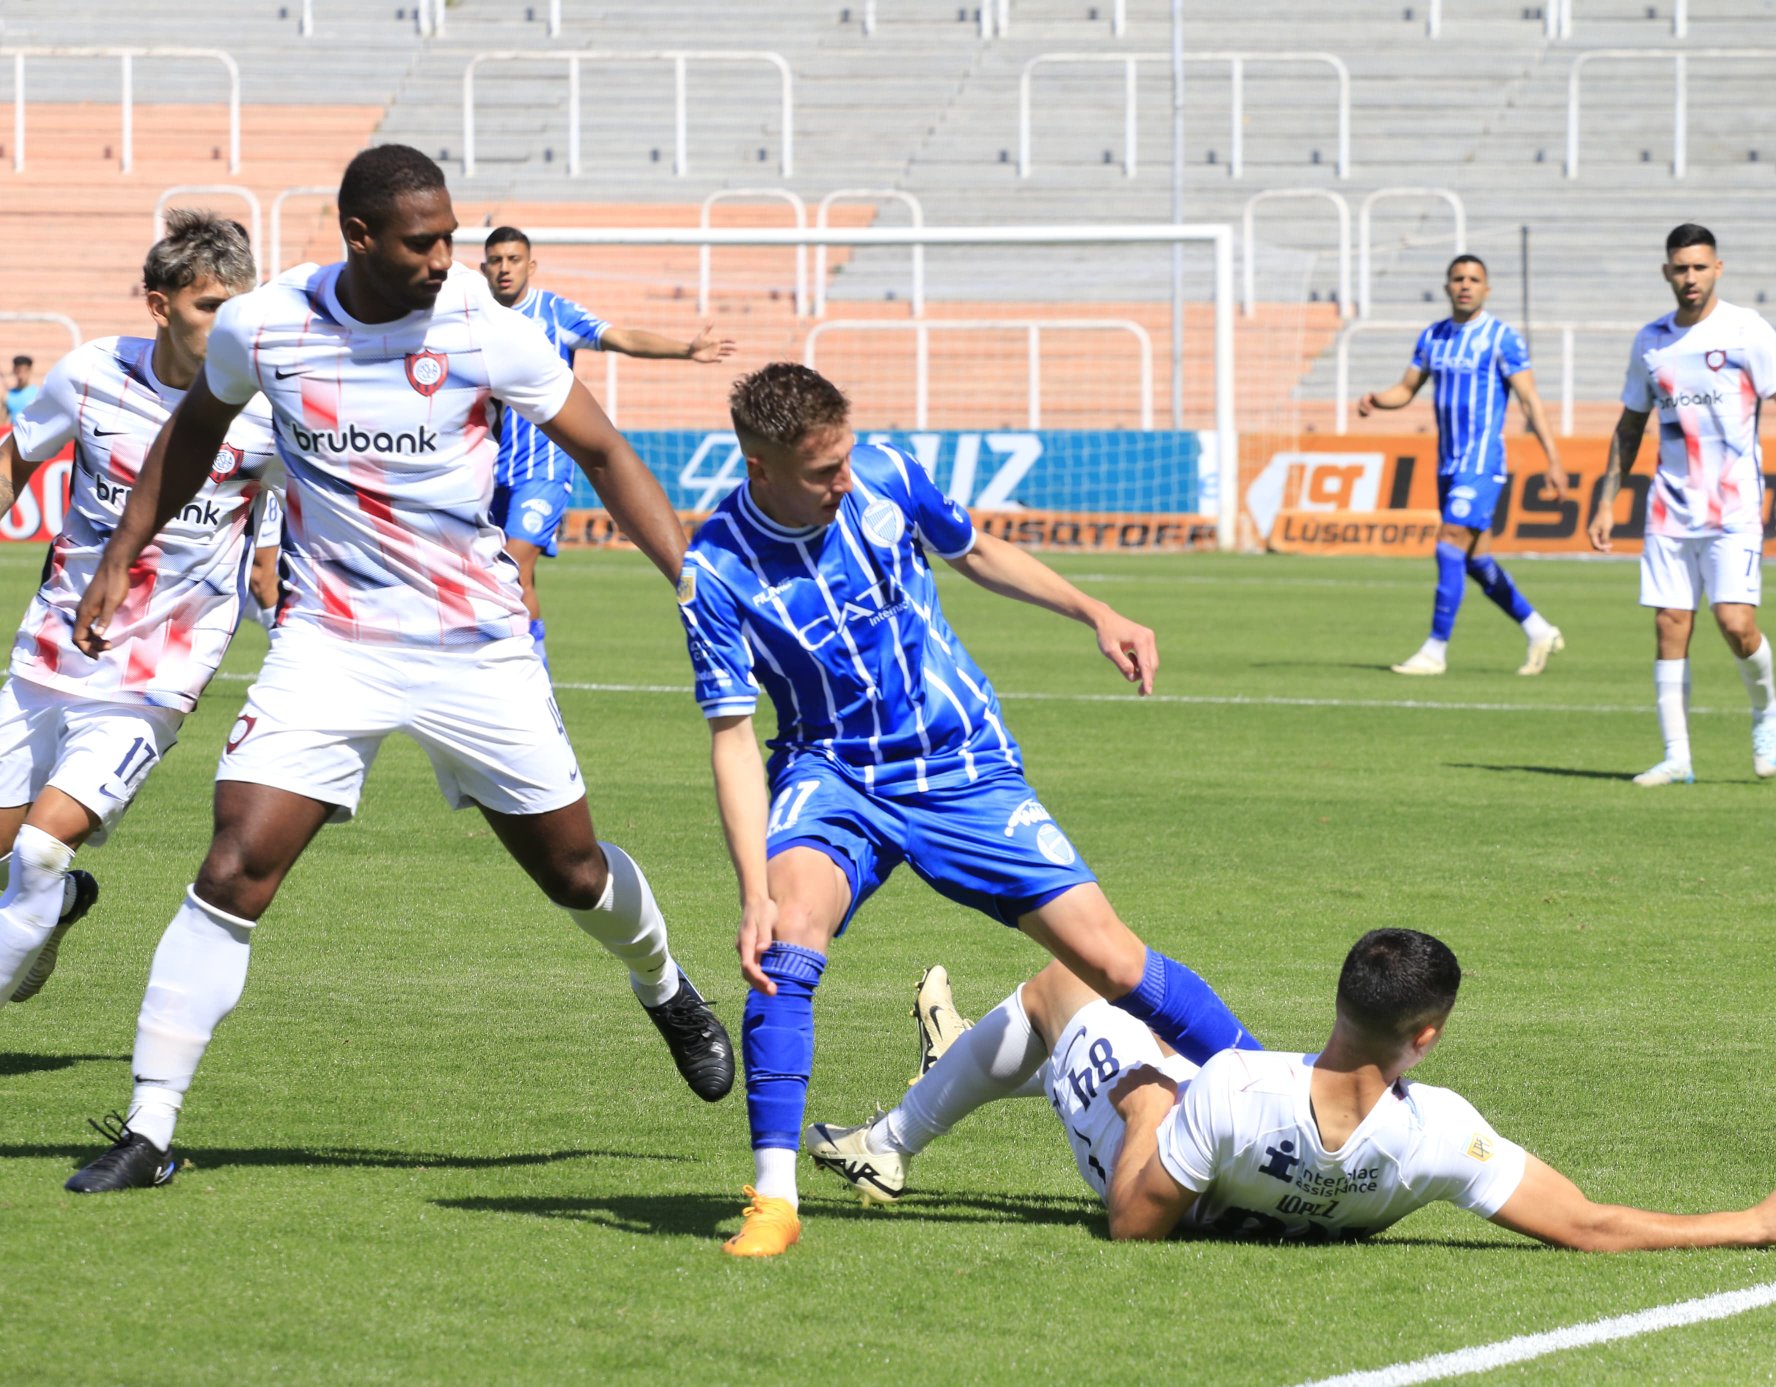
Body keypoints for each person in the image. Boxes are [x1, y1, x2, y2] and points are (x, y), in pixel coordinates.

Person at [59, 145, 734, 1194]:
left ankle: (664, 983)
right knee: (234, 863)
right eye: (423, 240)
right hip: (329, 641)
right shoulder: (265, 324)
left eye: (450, 237)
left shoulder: (481, 327)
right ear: (359, 236)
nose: (443, 258)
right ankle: (150, 1128)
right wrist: (118, 558)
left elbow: (602, 450)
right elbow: (191, 434)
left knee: (575, 872)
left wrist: (691, 576)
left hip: (476, 645)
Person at [679, 362, 1260, 1257]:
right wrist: (751, 885)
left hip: (964, 765)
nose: (845, 478)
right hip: (835, 775)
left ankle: (1274, 1097)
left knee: (1110, 958)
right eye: (822, 470)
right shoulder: (714, 571)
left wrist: (1093, 609)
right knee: (786, 946)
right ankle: (775, 1198)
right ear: (760, 468)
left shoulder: (886, 473)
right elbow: (730, 735)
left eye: (845, 457)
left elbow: (975, 549)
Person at [809, 930, 1776, 1250]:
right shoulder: (1440, 1140)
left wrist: (1144, 1105)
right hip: (1232, 1157)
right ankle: (967, 1068)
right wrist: (1752, 1218)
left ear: (1336, 1000)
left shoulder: (1235, 1089)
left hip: (1165, 1139)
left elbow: (1129, 1223)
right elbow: (1591, 1223)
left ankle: (892, 1140)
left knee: (1059, 986)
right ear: (1424, 1035)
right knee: (1099, 1014)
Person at [0, 212, 280, 1011]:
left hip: (157, 672)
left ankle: (50, 890)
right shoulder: (89, 373)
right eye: (208, 306)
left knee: (43, 848)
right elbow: (17, 459)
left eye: (238, 305)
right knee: (10, 861)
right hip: (51, 648)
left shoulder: (265, 405)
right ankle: (55, 908)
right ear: (160, 306)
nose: (227, 324)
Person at [1588, 224, 1776, 787]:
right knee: (1669, 626)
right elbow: (1629, 425)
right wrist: (1606, 501)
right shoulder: (1651, 341)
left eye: (1699, 267)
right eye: (1680, 268)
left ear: (1718, 269)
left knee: (1734, 623)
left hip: (1734, 504)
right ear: (1667, 272)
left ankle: (1767, 710)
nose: (1689, 278)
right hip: (1669, 505)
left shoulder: (1745, 329)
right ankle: (1676, 756)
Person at [481, 226, 735, 668]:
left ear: (531, 265)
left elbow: (622, 338)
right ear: (485, 267)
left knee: (510, 571)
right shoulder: (478, 317)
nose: (505, 268)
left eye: (514, 259)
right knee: (516, 580)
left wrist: (685, 351)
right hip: (488, 472)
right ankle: (527, 669)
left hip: (542, 471)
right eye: (497, 260)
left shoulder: (553, 313)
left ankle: (526, 677)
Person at [1355, 255, 1568, 677]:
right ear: (1447, 286)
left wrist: (1554, 459)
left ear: (1487, 289)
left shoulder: (1501, 337)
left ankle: (1435, 650)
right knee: (1474, 561)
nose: (1466, 285)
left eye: (1474, 279)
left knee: (1448, 542)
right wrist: (1378, 399)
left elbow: (1529, 399)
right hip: (1448, 464)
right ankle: (1538, 628)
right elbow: (1406, 388)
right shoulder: (1433, 336)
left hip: (1483, 464)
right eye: (1458, 278)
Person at [3, 356, 36, 424]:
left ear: (30, 371)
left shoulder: (37, 394)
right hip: (14, 432)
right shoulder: (8, 395)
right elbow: (2, 422)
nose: (21, 375)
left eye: (25, 371)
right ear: (14, 370)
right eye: (18, 371)